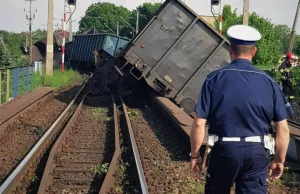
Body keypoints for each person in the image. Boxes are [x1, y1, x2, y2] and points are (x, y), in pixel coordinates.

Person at [189, 24, 293, 194]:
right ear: (254, 51)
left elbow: (199, 124)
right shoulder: (269, 82)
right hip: (257, 153)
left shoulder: (213, 79)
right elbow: (282, 128)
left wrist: (195, 155)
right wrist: (279, 160)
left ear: (230, 49)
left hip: (224, 152)